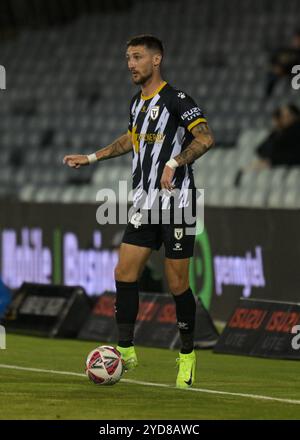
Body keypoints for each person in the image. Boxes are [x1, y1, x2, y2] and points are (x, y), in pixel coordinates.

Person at [63, 34, 214, 388]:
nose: (130, 64)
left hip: (177, 204)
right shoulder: (136, 103)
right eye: (128, 58)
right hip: (144, 204)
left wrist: (175, 161)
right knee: (124, 271)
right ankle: (126, 349)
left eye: (137, 57)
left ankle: (188, 356)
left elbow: (205, 137)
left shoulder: (178, 101)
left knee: (177, 283)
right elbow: (129, 139)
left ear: (156, 60)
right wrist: (91, 157)